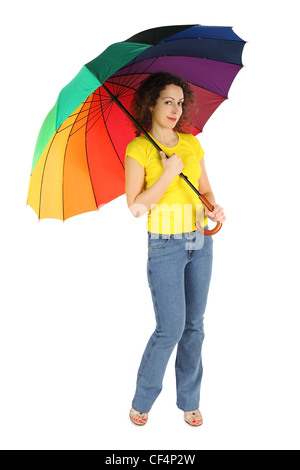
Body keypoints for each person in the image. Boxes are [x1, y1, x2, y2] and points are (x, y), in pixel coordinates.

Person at [125, 73, 226, 426]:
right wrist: (168, 174)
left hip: (200, 241)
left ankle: (190, 401)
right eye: (168, 100)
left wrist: (215, 208)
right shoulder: (138, 149)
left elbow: (207, 191)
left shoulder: (191, 144)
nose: (175, 108)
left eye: (180, 102)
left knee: (195, 325)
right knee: (170, 328)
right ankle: (142, 401)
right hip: (164, 245)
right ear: (151, 102)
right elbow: (136, 207)